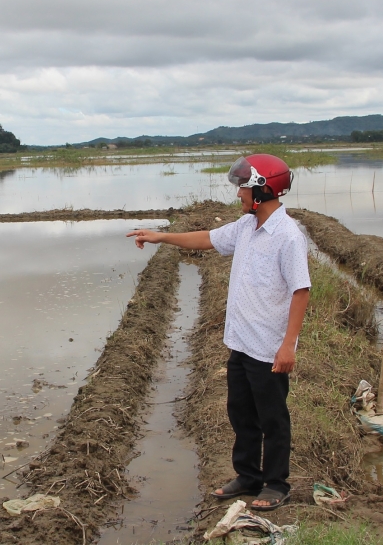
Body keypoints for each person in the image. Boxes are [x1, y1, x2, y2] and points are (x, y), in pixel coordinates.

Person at [126, 154, 310, 511]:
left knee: (272, 418)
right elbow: (207, 239)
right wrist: (161, 236)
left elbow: (300, 291)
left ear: (261, 189)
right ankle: (248, 475)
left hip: (269, 348)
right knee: (240, 412)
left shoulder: (287, 236)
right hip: (240, 341)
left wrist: (288, 346)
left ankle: (276, 483)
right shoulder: (246, 226)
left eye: (243, 187)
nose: (238, 193)